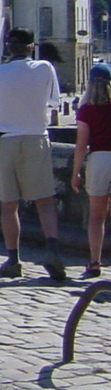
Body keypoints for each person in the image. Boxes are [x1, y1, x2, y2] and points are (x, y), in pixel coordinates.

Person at [0, 28, 67, 280]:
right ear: (31, 46)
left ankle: (13, 259)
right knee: (45, 201)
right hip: (35, 137)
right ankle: (52, 250)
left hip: (4, 139)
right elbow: (53, 101)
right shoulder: (44, 68)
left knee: (8, 205)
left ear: (9, 48)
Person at [71, 63, 111, 278]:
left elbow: (81, 144)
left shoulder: (86, 109)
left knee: (97, 216)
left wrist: (75, 172)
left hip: (99, 160)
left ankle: (94, 263)